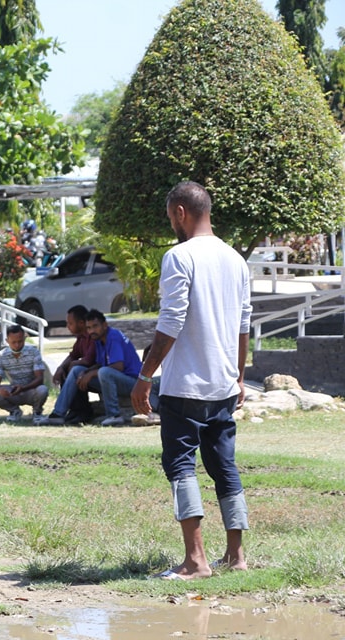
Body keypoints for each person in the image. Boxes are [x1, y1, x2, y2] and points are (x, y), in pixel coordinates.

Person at [131, 181, 251, 580]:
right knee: (225, 467)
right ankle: (236, 556)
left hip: (186, 386)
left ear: (180, 212)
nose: (172, 225)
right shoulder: (236, 259)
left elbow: (171, 322)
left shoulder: (179, 256)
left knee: (180, 466)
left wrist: (145, 375)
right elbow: (243, 324)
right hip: (223, 384)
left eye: (171, 218)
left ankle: (195, 561)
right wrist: (240, 375)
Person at [76, 309, 142, 426]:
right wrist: (86, 371)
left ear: (105, 325)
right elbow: (101, 363)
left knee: (104, 372)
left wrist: (92, 373)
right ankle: (59, 414)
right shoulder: (98, 339)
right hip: (119, 380)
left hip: (134, 382)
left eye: (95, 326)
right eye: (89, 328)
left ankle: (114, 415)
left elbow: (118, 367)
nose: (92, 331)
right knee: (77, 371)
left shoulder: (113, 336)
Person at [35, 305, 97, 426]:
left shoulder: (94, 336)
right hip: (85, 374)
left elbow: (89, 360)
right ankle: (75, 411)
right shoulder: (81, 338)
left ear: (81, 323)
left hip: (97, 374)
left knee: (75, 369)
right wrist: (60, 368)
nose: (67, 326)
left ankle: (59, 413)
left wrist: (72, 364)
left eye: (70, 323)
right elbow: (73, 355)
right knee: (66, 370)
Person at [0, 324, 48, 423]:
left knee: (43, 390)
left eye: (20, 341)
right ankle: (14, 411)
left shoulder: (34, 352)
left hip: (31, 390)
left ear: (24, 339)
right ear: (7, 341)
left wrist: (23, 388)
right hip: (13, 391)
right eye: (13, 342)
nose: (17, 345)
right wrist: (0, 389)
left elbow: (40, 379)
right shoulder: (0, 356)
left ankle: (37, 412)